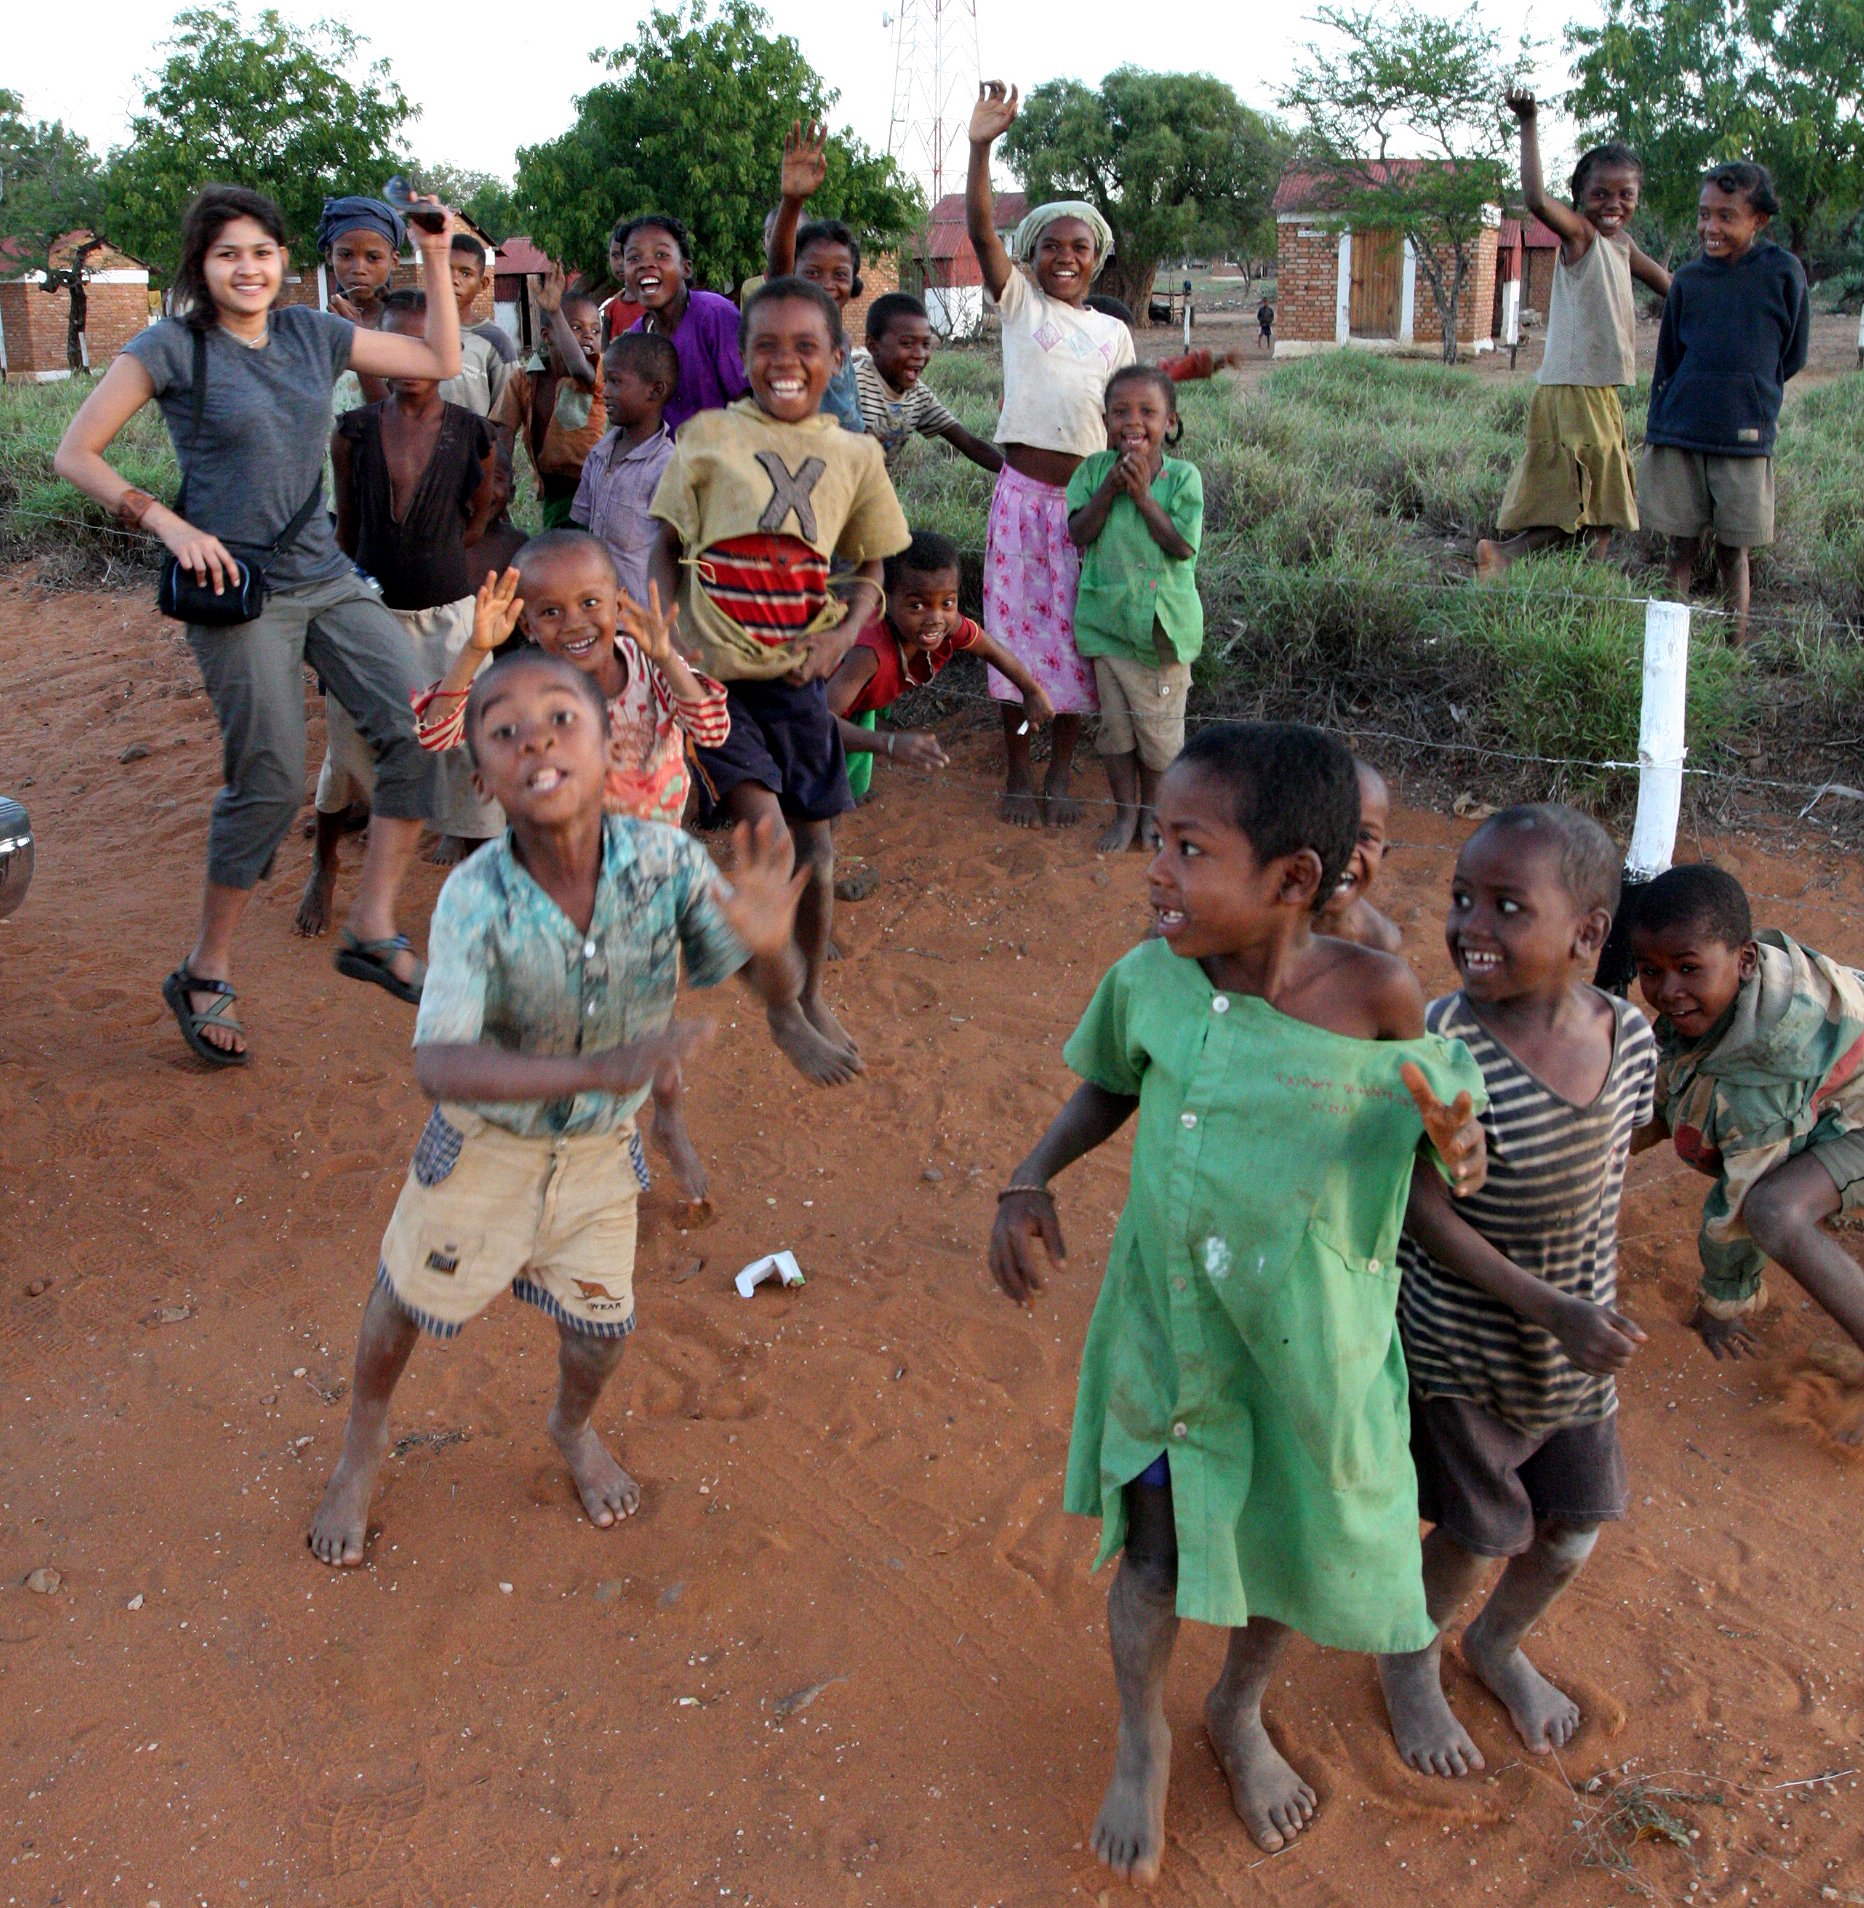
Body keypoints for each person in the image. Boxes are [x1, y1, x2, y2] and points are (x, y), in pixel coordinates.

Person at [989, 721, 1488, 1883]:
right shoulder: (1149, 981)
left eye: (1187, 848)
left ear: (1292, 880)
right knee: (1156, 1561)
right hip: (1175, 1341)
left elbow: (1431, 1133)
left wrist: (1454, 1137)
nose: (1155, 870)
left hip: (1307, 1347)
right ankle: (1140, 1736)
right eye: (1157, 841)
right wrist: (1028, 1179)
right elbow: (1106, 1085)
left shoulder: (1377, 995)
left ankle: (1238, 1708)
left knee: (1284, 1547)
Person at [306, 648, 812, 1568]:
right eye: (504, 730)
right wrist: (605, 1065)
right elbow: (438, 1064)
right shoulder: (474, 897)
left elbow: (766, 977)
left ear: (611, 744)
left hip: (595, 1156)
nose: (534, 737)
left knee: (604, 1331)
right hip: (483, 1146)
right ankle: (362, 1444)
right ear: (481, 779)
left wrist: (774, 951)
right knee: (403, 1300)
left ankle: (570, 1428)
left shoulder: (664, 864)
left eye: (560, 718)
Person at [55, 183, 464, 1065]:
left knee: (421, 724)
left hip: (319, 570)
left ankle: (372, 922)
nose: (249, 268)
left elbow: (437, 359)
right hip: (234, 586)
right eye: (228, 253)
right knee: (271, 781)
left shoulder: (314, 336)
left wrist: (436, 252)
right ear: (202, 266)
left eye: (263, 252)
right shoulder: (172, 347)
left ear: (288, 262)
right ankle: (206, 968)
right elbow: (73, 453)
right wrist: (165, 522)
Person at [1378, 806, 1657, 1777]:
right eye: (1461, 899)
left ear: (1585, 935)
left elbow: (1613, 1158)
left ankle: (1493, 1643)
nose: (1469, 927)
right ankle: (1408, 1662)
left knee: (1575, 1522)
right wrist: (1551, 1308)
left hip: (1576, 1350)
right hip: (1466, 1350)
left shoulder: (1629, 1042)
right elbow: (1420, 1207)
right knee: (1468, 1531)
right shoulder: (1446, 1048)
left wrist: (1577, 1311)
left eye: (1505, 906)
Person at [647, 276, 910, 1087]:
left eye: (806, 346)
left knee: (821, 851)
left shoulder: (856, 454)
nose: (784, 361)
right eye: (766, 345)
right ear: (740, 355)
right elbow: (663, 542)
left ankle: (812, 994)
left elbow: (872, 565)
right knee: (763, 831)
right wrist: (672, 635)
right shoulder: (706, 436)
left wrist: (841, 633)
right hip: (718, 685)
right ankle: (779, 1006)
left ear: (838, 357)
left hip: (799, 682)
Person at [418, 540, 731, 1195]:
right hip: (549, 896)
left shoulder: (649, 673)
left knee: (650, 1028)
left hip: (644, 895)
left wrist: (666, 655)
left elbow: (711, 725)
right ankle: (575, 1151)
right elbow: (438, 734)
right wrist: (476, 649)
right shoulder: (525, 693)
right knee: (552, 1029)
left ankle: (667, 1122)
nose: (575, 623)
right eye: (551, 612)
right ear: (526, 624)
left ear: (619, 603)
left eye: (591, 603)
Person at [297, 288, 499, 925]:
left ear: (451, 351)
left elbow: (476, 519)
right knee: (350, 745)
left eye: (426, 345)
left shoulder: (473, 434)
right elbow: (348, 531)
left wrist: (434, 558)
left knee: (468, 744)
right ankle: (326, 862)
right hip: (368, 616)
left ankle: (480, 882)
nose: (410, 361)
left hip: (450, 620)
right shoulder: (353, 433)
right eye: (396, 345)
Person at [1627, 863, 1864, 1395]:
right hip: (1843, 1084)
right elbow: (1664, 1090)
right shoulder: (1730, 992)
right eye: (1649, 970)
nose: (1667, 991)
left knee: (1773, 1211)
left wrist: (1721, 1304)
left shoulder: (1759, 1082)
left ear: (1746, 959)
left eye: (1688, 969)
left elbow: (1737, 1204)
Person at [967, 81, 1136, 826]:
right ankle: (1015, 770)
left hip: (1083, 511)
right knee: (1012, 641)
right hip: (1019, 503)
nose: (1064, 257)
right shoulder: (1020, 305)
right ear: (1030, 255)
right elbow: (977, 232)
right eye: (1050, 247)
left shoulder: (1113, 334)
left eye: (1079, 248)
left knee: (1072, 643)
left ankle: (1062, 772)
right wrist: (982, 147)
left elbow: (1130, 420)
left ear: (1097, 261)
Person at [1477, 93, 1671, 580]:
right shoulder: (1581, 235)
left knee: (1592, 504)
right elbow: (1536, 200)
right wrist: (1529, 123)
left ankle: (1527, 566)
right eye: (1601, 194)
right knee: (1601, 506)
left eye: (1625, 194)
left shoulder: (1622, 246)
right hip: (1576, 386)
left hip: (1596, 387)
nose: (1614, 204)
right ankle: (1554, 580)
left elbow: (1674, 288)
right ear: (1581, 196)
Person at [1640, 161, 1809, 645]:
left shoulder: (1782, 273)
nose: (1710, 228)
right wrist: (1662, 420)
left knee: (1734, 552)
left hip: (1744, 438)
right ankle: (1670, 650)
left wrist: (1750, 394)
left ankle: (1734, 648)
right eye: (1703, 215)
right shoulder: (1688, 281)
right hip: (1682, 432)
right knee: (1679, 550)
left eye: (1726, 217)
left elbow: (1791, 354)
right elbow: (1669, 358)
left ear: (1759, 220)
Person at [1065, 364, 1203, 855]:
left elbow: (1182, 545)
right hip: (1107, 627)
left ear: (1170, 421)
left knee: (1160, 741)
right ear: (1105, 420)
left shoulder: (1182, 478)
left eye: (1148, 411)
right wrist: (1111, 489)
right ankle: (1126, 815)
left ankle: (1153, 819)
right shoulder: (1092, 472)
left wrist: (1143, 497)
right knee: (1116, 733)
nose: (1133, 421)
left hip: (1159, 634)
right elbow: (1078, 533)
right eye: (1121, 411)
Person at [826, 529, 1053, 802]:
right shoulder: (868, 654)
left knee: (843, 786)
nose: (935, 617)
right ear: (885, 597)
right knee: (821, 800)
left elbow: (991, 649)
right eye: (917, 606)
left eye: (947, 602)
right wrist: (889, 744)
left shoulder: (950, 624)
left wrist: (1031, 691)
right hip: (813, 704)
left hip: (855, 704)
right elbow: (817, 719)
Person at [765, 120, 866, 434]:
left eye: (839, 274)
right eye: (811, 273)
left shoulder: (843, 342)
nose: (826, 284)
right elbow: (780, 263)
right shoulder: (790, 329)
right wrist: (793, 201)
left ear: (853, 282)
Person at [570, 330, 680, 608]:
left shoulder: (668, 467)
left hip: (640, 616)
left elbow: (676, 554)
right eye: (606, 381)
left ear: (655, 390)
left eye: (616, 382)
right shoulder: (599, 453)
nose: (605, 391)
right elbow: (583, 530)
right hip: (597, 608)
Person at [493, 263, 605, 529]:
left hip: (597, 494)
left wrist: (555, 312)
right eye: (575, 328)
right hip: (555, 495)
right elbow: (503, 432)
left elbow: (579, 368)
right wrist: (498, 480)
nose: (588, 334)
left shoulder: (597, 372)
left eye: (596, 330)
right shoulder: (524, 379)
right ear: (547, 336)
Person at [619, 214, 751, 434]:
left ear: (686, 268)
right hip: (667, 466)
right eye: (633, 258)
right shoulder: (634, 339)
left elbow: (747, 404)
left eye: (661, 255)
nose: (646, 264)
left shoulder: (715, 315)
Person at [853, 292, 1003, 474]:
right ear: (873, 346)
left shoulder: (918, 396)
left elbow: (969, 444)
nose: (920, 354)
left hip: (874, 496)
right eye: (907, 344)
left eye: (925, 344)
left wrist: (1021, 477)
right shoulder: (852, 384)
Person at [1315, 759, 1402, 952]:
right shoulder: (1261, 925)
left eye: (1364, 836)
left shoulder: (1379, 944)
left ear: (1382, 854)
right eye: (1327, 831)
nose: (1346, 850)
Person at [439, 232, 516, 419]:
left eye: (465, 273)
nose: (454, 280)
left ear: (482, 284)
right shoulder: (415, 331)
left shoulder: (496, 343)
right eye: (445, 269)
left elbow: (504, 416)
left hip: (470, 446)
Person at [600, 218, 646, 345]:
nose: (621, 262)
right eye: (615, 255)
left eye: (627, 255)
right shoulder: (611, 309)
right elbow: (604, 359)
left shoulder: (655, 302)